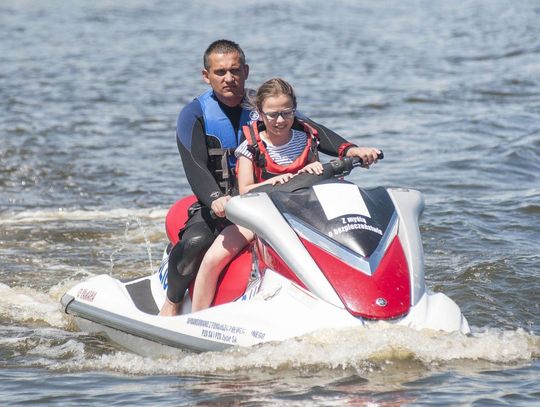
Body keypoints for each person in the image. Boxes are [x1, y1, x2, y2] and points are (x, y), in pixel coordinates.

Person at [160, 39, 380, 316]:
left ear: (246, 71)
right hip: (221, 203)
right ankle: (173, 303)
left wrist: (349, 149)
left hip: (274, 201)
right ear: (207, 76)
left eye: (235, 70)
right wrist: (215, 198)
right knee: (196, 244)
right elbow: (195, 165)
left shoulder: (266, 107)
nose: (229, 78)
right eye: (220, 72)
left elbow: (313, 130)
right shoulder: (195, 114)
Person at [191, 78, 324, 311]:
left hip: (301, 215)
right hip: (259, 218)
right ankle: (196, 315)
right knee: (213, 259)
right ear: (260, 114)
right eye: (272, 114)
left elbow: (316, 179)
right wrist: (273, 182)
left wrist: (315, 168)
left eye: (287, 113)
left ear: (295, 110)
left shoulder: (306, 139)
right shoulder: (250, 147)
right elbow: (245, 190)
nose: (280, 120)